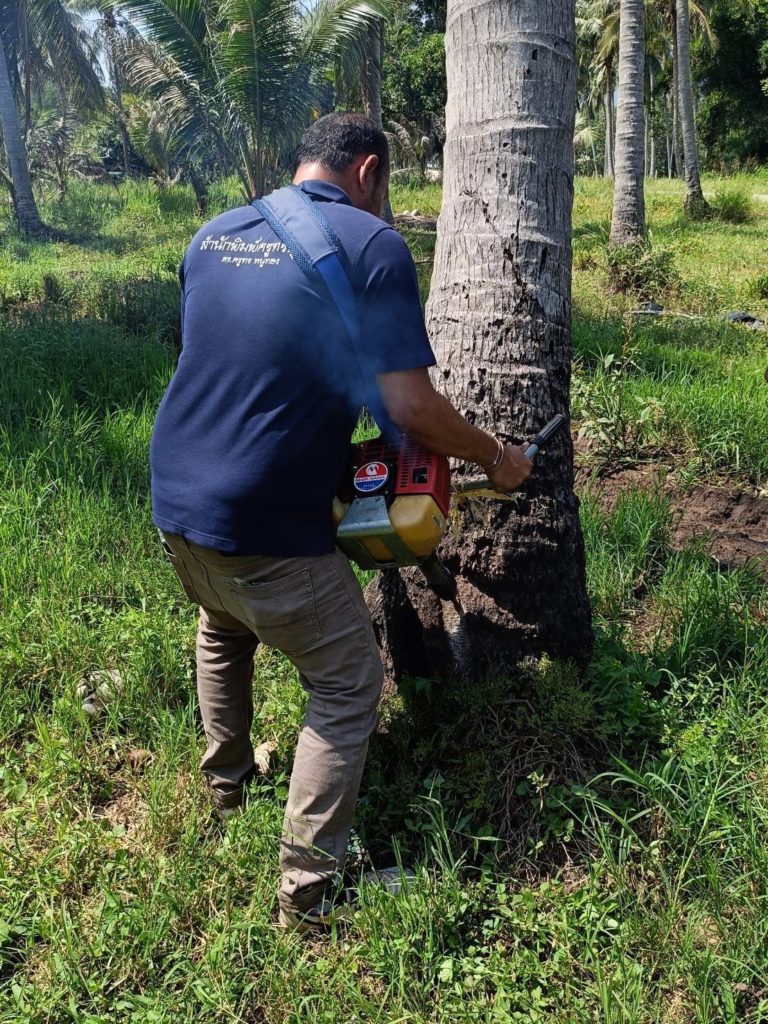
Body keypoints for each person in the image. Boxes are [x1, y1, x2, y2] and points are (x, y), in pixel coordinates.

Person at [150, 112, 532, 932]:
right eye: (384, 190)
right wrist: (493, 458)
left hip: (178, 504)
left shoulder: (214, 233)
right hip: (263, 526)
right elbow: (409, 403)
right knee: (349, 684)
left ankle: (225, 788)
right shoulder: (371, 244)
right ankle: (311, 895)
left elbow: (252, 361)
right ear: (367, 171)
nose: (384, 206)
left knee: (222, 626)